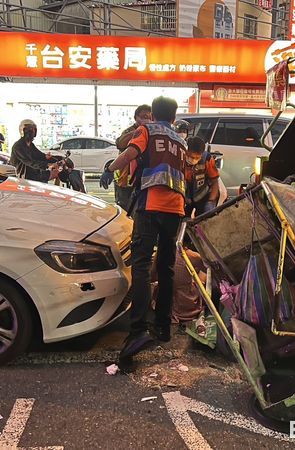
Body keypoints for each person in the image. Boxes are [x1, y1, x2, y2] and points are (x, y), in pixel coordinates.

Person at [100, 96, 187, 360]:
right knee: (166, 267)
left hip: (151, 204)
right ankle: (163, 327)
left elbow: (130, 152)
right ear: (173, 117)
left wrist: (109, 168)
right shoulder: (180, 140)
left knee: (140, 264)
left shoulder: (147, 130)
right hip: (176, 208)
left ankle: (137, 328)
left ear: (153, 114)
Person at [113, 104, 152, 212]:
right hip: (125, 180)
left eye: (149, 117)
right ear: (136, 118)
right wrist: (138, 132)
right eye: (143, 117)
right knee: (124, 211)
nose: (147, 119)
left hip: (143, 180)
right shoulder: (129, 132)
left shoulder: (151, 132)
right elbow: (120, 144)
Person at [184, 136, 220, 217]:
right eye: (191, 157)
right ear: (186, 151)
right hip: (187, 199)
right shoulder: (180, 158)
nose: (193, 160)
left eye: (197, 158)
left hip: (204, 197)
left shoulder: (207, 159)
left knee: (203, 223)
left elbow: (215, 182)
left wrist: (210, 202)